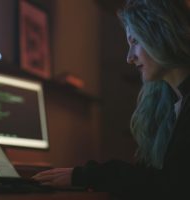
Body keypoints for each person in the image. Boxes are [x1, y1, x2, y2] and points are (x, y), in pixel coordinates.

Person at [32, 0, 190, 199]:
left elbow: (173, 186)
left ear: (161, 33)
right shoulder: (169, 104)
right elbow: (152, 178)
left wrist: (89, 175)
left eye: (135, 42)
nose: (129, 57)